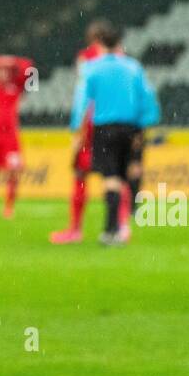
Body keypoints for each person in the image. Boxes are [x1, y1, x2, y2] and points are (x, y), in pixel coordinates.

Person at [69, 23, 160, 246]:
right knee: (123, 177)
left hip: (104, 128)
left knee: (110, 179)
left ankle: (110, 230)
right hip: (130, 128)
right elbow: (148, 99)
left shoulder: (93, 68)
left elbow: (82, 101)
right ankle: (122, 227)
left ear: (99, 45)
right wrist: (143, 125)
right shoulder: (133, 67)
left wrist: (76, 129)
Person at [51, 20, 110, 244]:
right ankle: (121, 227)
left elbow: (83, 94)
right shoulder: (119, 58)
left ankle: (75, 229)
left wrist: (77, 130)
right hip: (113, 121)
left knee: (80, 175)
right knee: (113, 176)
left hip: (91, 123)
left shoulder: (86, 57)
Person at [0, 54, 34, 219]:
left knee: (13, 171)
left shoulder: (16, 86)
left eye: (6, 71)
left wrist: (12, 60)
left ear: (10, 72)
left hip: (10, 137)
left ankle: (9, 206)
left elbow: (30, 67)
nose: (2, 73)